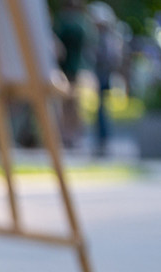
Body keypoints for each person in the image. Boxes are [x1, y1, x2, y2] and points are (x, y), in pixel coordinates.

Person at [88, 1, 124, 155]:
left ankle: (103, 140)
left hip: (103, 76)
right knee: (99, 110)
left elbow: (111, 58)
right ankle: (101, 139)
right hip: (99, 76)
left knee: (102, 110)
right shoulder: (100, 36)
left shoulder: (107, 38)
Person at [54, 0, 87, 147]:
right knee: (71, 104)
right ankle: (71, 135)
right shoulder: (81, 24)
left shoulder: (68, 25)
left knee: (69, 103)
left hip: (68, 69)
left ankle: (69, 135)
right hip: (72, 69)